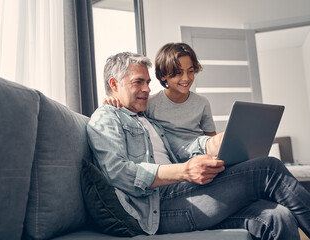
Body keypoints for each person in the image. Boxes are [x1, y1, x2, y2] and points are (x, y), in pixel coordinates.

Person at [87, 52, 310, 239]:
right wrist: (183, 171)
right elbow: (116, 172)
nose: (146, 89)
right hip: (157, 208)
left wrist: (216, 142)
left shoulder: (149, 120)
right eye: (138, 82)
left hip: (181, 193)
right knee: (268, 169)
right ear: (114, 84)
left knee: (278, 216)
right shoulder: (106, 118)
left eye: (147, 82)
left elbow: (184, 147)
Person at [103, 43, 224, 160]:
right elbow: (130, 110)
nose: (186, 78)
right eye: (178, 73)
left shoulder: (202, 103)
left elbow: (211, 136)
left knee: (224, 141)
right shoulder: (149, 103)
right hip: (178, 154)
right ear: (163, 76)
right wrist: (112, 100)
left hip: (201, 148)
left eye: (190, 71)